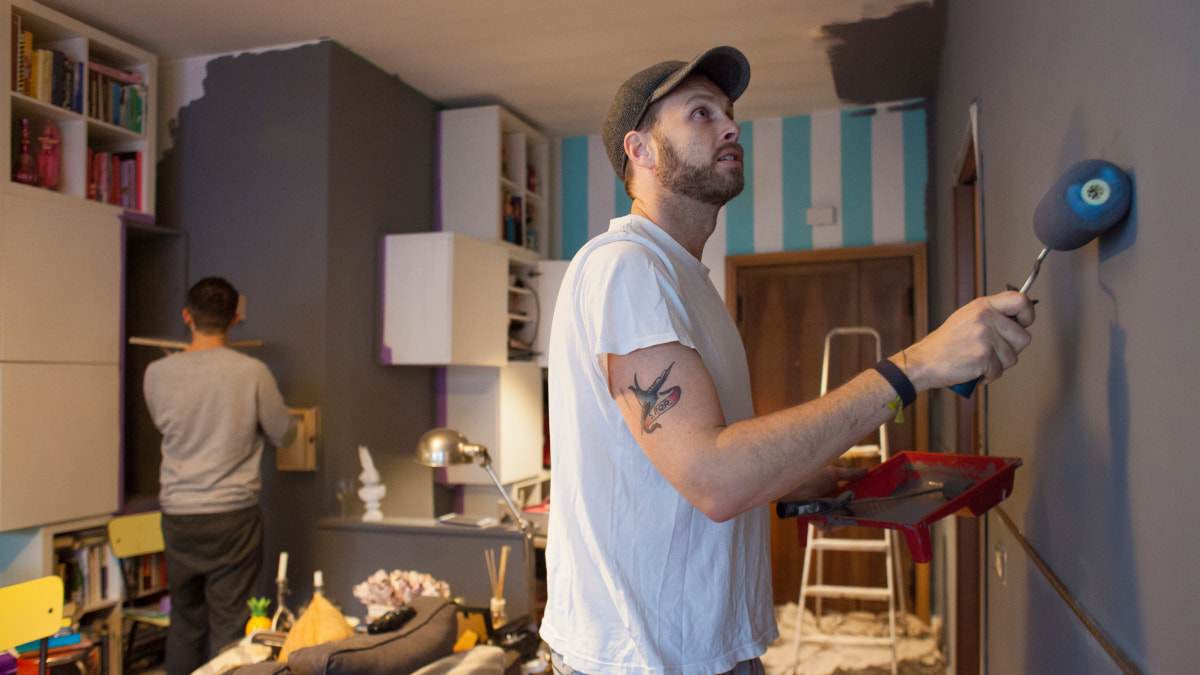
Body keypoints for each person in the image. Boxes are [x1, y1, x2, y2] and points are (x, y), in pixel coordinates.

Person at [539, 46, 1035, 675]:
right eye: (700, 113)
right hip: (643, 659)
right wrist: (915, 366)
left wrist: (806, 482)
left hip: (704, 649)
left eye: (728, 112)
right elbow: (713, 479)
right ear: (640, 150)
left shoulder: (685, 279)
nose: (729, 126)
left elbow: (693, 461)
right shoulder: (625, 268)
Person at [144, 277, 296, 675]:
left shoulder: (156, 373)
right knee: (231, 625)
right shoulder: (253, 372)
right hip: (232, 517)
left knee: (185, 622)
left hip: (178, 515)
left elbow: (168, 421)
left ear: (186, 316)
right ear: (235, 319)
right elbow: (285, 433)